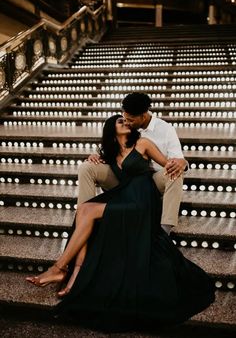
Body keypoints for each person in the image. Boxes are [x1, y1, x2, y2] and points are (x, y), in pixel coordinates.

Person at [26, 115, 215, 332]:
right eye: (119, 122)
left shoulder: (143, 143)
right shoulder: (110, 153)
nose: (125, 122)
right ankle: (70, 270)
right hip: (125, 197)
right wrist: (93, 157)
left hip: (142, 200)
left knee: (87, 211)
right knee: (84, 210)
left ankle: (60, 269)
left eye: (125, 120)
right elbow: (101, 165)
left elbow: (168, 166)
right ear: (111, 130)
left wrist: (182, 162)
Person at [78, 92, 188, 234]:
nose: (127, 122)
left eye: (130, 120)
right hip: (120, 178)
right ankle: (82, 219)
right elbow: (112, 146)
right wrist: (96, 156)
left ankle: (165, 229)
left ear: (143, 115)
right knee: (87, 167)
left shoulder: (166, 130)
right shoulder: (124, 127)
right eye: (124, 118)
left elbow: (174, 162)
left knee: (175, 173)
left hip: (149, 182)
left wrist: (183, 162)